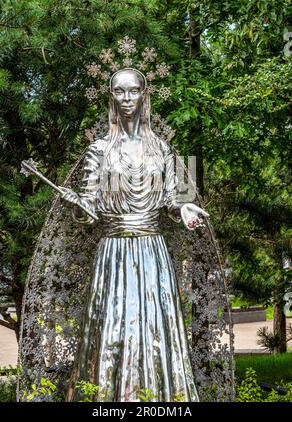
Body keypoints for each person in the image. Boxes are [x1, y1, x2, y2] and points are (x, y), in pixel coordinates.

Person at [59, 68, 209, 402]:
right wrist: (79, 207)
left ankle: (162, 399)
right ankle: (108, 399)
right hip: (112, 253)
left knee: (157, 328)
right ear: (111, 97)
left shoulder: (164, 150)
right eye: (119, 92)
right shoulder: (98, 150)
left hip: (152, 252)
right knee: (113, 328)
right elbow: (87, 212)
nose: (127, 99)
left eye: (133, 91)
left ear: (144, 94)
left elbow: (174, 199)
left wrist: (184, 209)